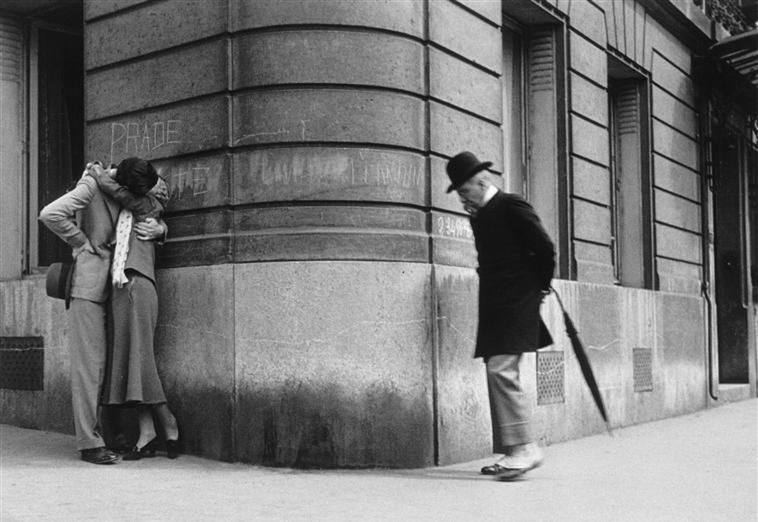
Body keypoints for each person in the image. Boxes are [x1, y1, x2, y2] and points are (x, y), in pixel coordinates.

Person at [39, 164, 166, 464]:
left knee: (109, 366)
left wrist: (162, 230)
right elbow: (50, 214)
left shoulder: (129, 185)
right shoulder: (91, 185)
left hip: (116, 287)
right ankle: (88, 443)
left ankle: (110, 436)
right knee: (90, 368)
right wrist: (82, 243)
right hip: (89, 287)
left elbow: (150, 208)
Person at [445, 151, 555, 481]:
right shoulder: (482, 215)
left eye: (465, 193)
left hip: (517, 300)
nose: (464, 202)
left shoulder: (511, 205)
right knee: (495, 367)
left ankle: (525, 448)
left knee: (501, 369)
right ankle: (511, 451)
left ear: (481, 182)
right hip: (496, 304)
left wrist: (539, 286)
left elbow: (545, 248)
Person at [88, 158, 181, 460]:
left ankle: (167, 422)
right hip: (125, 284)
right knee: (133, 361)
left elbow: (109, 185)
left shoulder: (143, 202)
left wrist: (102, 172)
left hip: (135, 283)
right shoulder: (144, 201)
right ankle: (149, 431)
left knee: (139, 360)